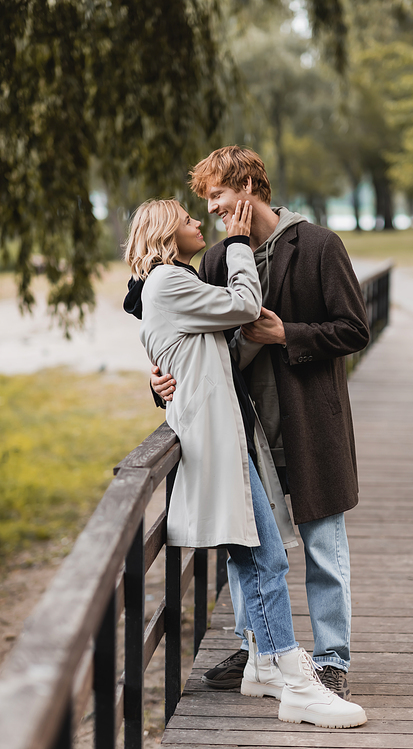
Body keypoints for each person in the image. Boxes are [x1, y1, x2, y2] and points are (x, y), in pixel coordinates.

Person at [123, 197, 367, 729]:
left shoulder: (319, 246)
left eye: (214, 203)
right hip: (224, 441)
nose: (205, 216)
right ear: (168, 231)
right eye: (193, 213)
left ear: (249, 190)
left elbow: (188, 343)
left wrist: (164, 364)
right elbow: (238, 308)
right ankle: (286, 673)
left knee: (288, 550)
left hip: (279, 430)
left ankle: (306, 661)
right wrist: (236, 247)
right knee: (265, 557)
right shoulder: (188, 272)